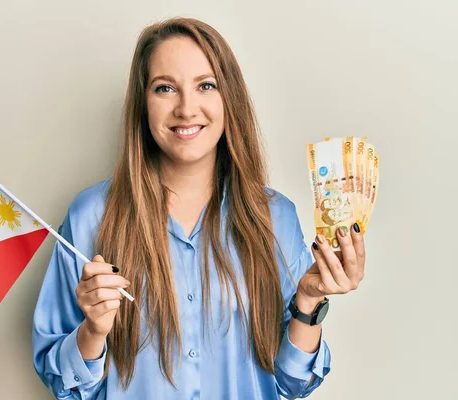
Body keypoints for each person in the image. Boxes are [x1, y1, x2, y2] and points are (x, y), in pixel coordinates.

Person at [31, 17, 366, 400]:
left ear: (229, 99)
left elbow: (292, 383)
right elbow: (65, 385)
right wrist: (93, 330)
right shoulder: (91, 214)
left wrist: (308, 301)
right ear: (143, 103)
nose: (186, 108)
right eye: (165, 88)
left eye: (206, 85)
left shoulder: (275, 216)